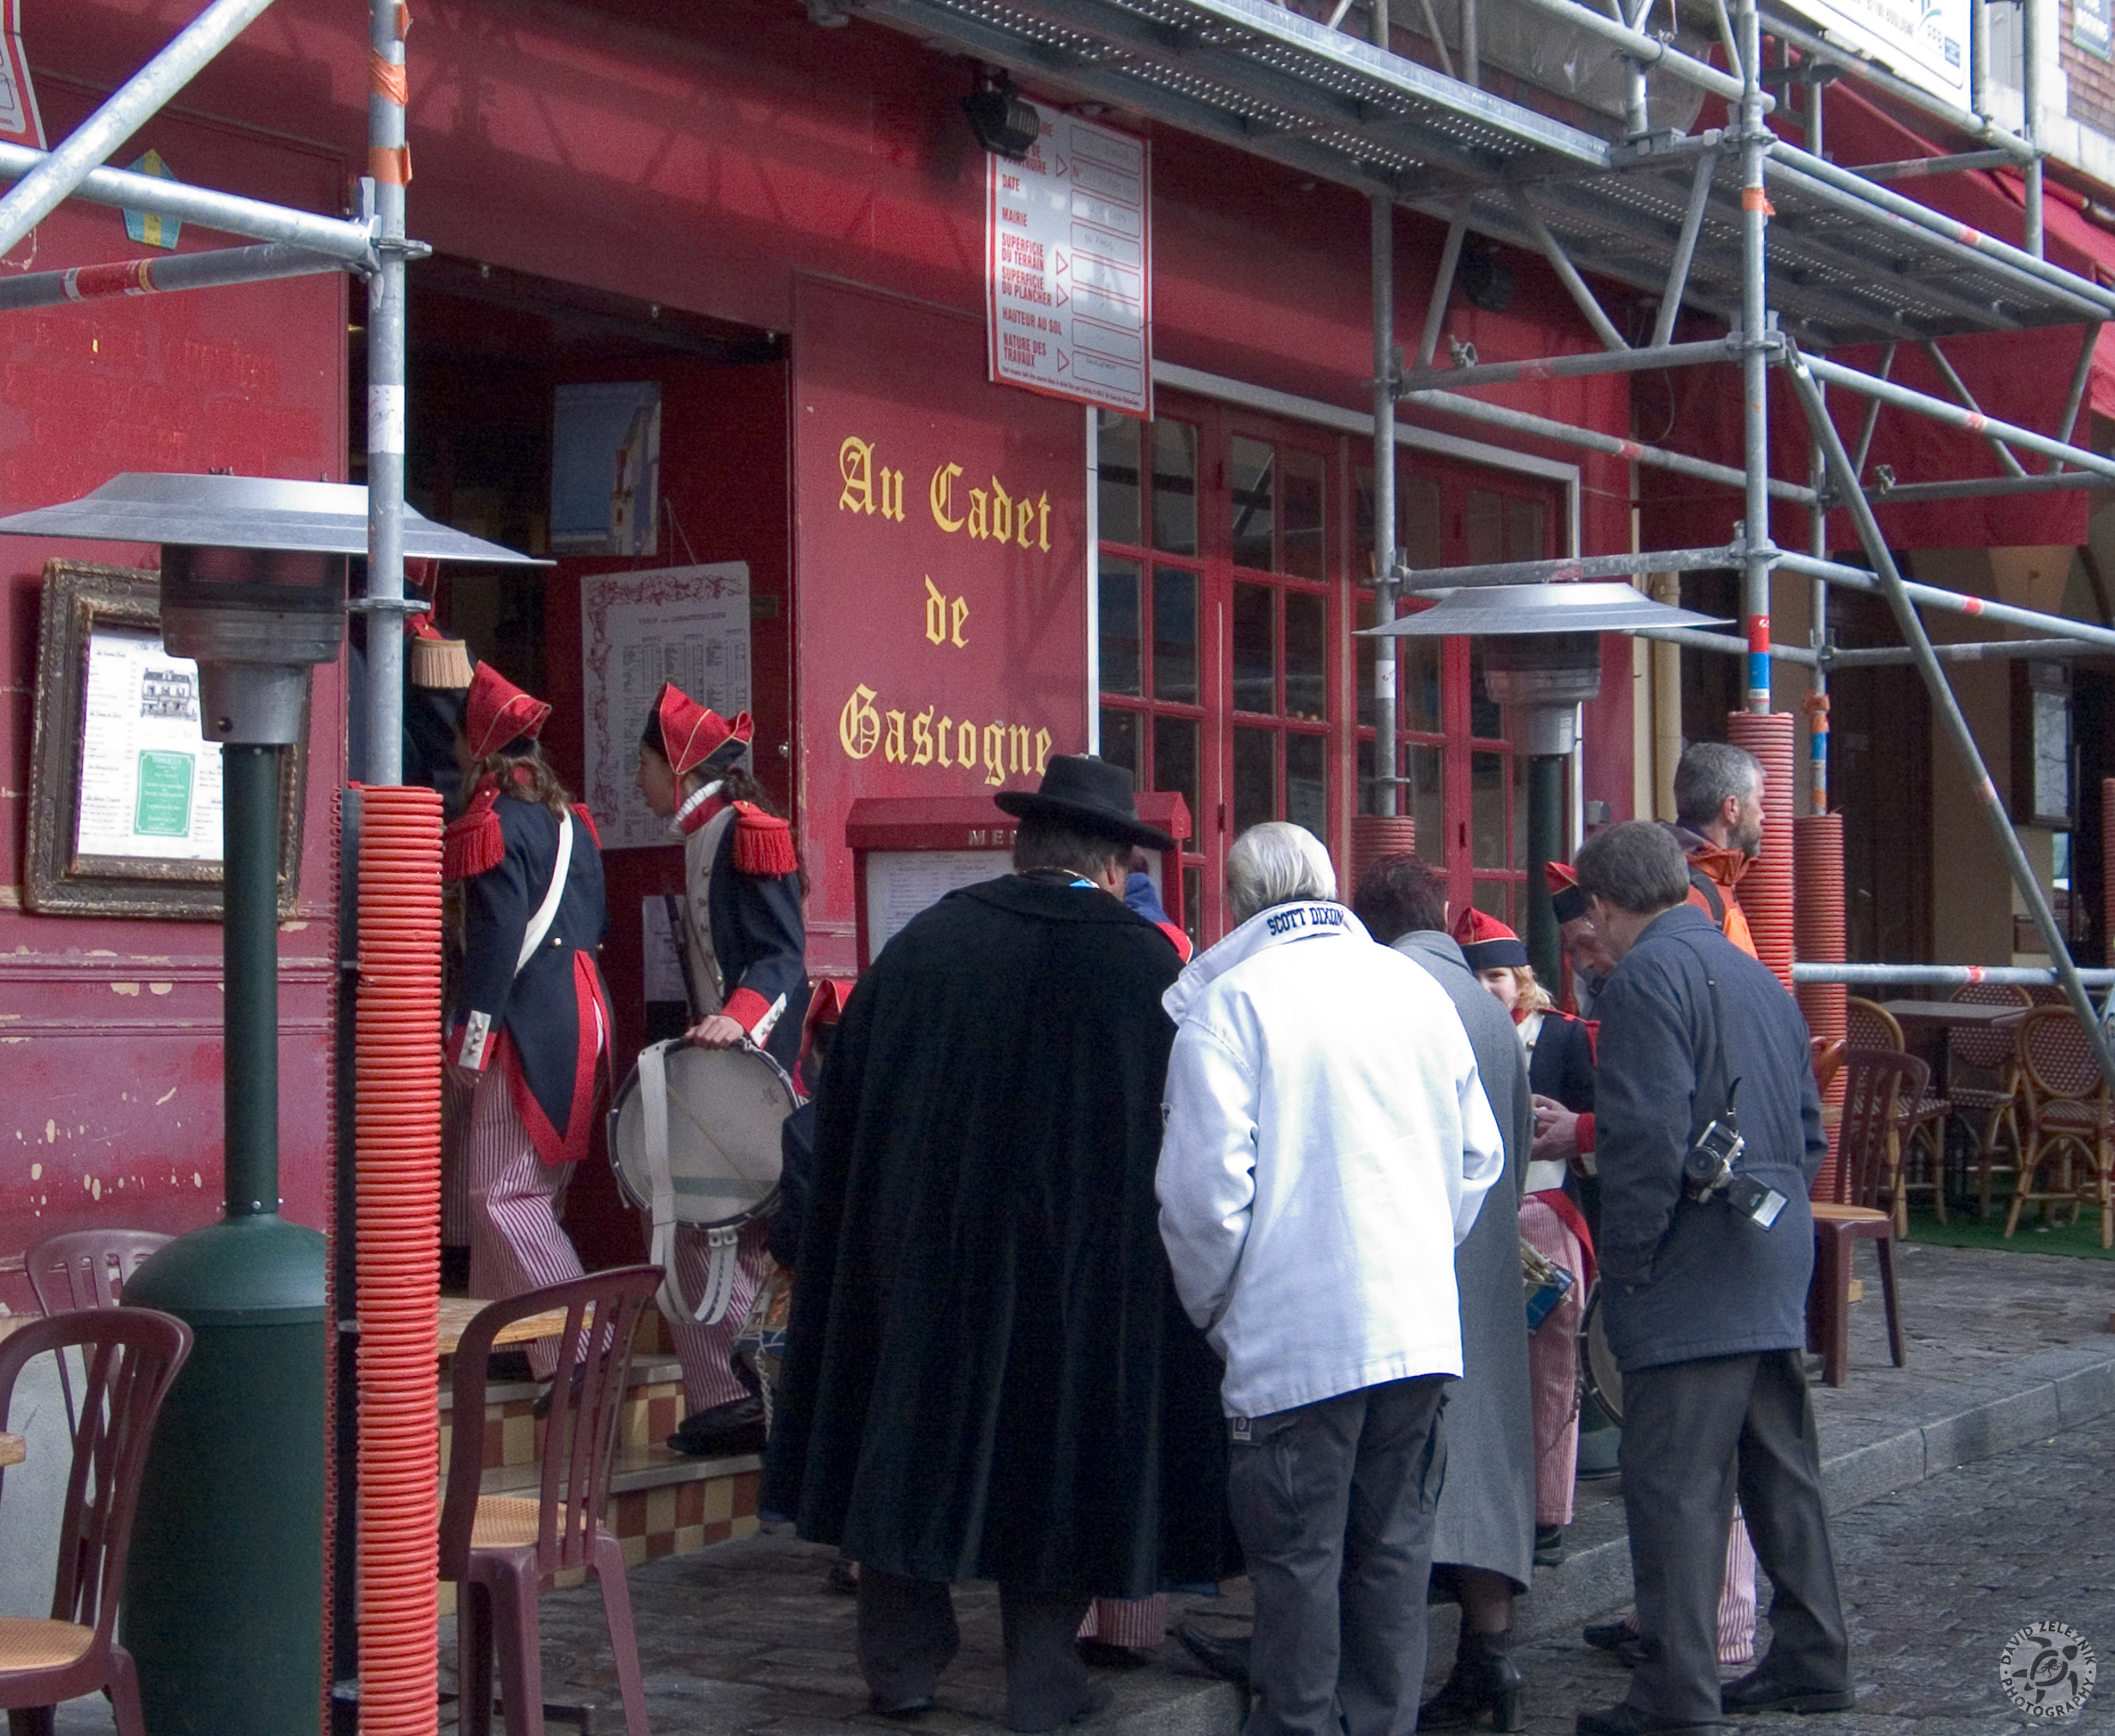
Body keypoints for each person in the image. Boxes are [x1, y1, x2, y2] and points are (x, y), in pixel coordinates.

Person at [767, 755, 1229, 1733]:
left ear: (1020, 847)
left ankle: (901, 1668)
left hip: (923, 1261)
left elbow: (839, 1107)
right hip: (1078, 1273)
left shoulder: (924, 946)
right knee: (1054, 1460)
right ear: (1111, 866)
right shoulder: (1146, 966)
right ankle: (1042, 1678)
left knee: (908, 1445)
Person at [1158, 824, 1504, 1736]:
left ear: (1237, 905)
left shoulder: (1230, 1005)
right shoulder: (1415, 989)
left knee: (1298, 1564)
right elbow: (1479, 1158)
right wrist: (1418, 1250)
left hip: (1294, 1335)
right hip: (1416, 1323)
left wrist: (1224, 1309)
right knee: (1392, 1555)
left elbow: (1200, 1200)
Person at [1571, 823, 1848, 1736]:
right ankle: (1813, 1657)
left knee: (1677, 1490)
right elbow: (1809, 1129)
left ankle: (1675, 1693)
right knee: (1781, 1474)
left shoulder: (1644, 978)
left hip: (1693, 1273)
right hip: (1770, 1257)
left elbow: (1645, 1139)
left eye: (1592, 917)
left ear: (1606, 906)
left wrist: (1632, 1260)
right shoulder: (1753, 975)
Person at [1344, 861, 1532, 1734]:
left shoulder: (1391, 996)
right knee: (1485, 1469)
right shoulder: (1490, 1011)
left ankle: (1362, 1665)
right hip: (1488, 1263)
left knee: (1397, 1481)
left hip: (1413, 1274)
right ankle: (1491, 1659)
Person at [634, 681, 810, 1458]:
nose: (635, 782)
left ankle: (755, 1389)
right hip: (721, 1061)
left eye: (642, 764)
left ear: (673, 765)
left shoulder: (748, 829)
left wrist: (736, 1019)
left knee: (711, 1223)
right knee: (683, 1223)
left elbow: (781, 957)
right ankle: (728, 1398)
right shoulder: (701, 830)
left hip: (757, 1059)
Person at [442, 660, 613, 1383]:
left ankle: (579, 1346)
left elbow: (494, 945)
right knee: (530, 1191)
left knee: (499, 1192)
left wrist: (468, 1042)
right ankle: (512, 1340)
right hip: (586, 1013)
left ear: (475, 746)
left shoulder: (492, 824)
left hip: (528, 1020)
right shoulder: (570, 822)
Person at [1456, 906, 1598, 1582]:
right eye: (1474, 975)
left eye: (1497, 976)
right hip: (1476, 1219)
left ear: (1521, 980)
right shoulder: (1443, 1033)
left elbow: (1590, 1130)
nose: (1487, 988)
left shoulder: (1565, 1037)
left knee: (1552, 1370)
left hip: (1547, 1211)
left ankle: (1547, 1511)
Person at [1666, 742, 1764, 958]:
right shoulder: (1691, 895)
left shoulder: (1709, 878)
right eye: (1759, 801)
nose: (1762, 816)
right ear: (1732, 808)